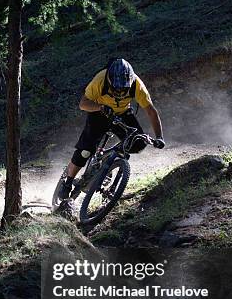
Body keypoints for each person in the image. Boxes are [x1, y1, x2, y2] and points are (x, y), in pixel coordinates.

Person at [58, 57, 165, 200]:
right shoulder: (100, 80)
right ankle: (68, 182)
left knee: (137, 144)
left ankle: (106, 162)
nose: (120, 92)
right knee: (85, 151)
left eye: (123, 89)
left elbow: (151, 111)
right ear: (109, 80)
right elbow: (83, 104)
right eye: (116, 88)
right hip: (99, 113)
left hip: (122, 113)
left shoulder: (136, 84)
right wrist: (100, 107)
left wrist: (159, 137)